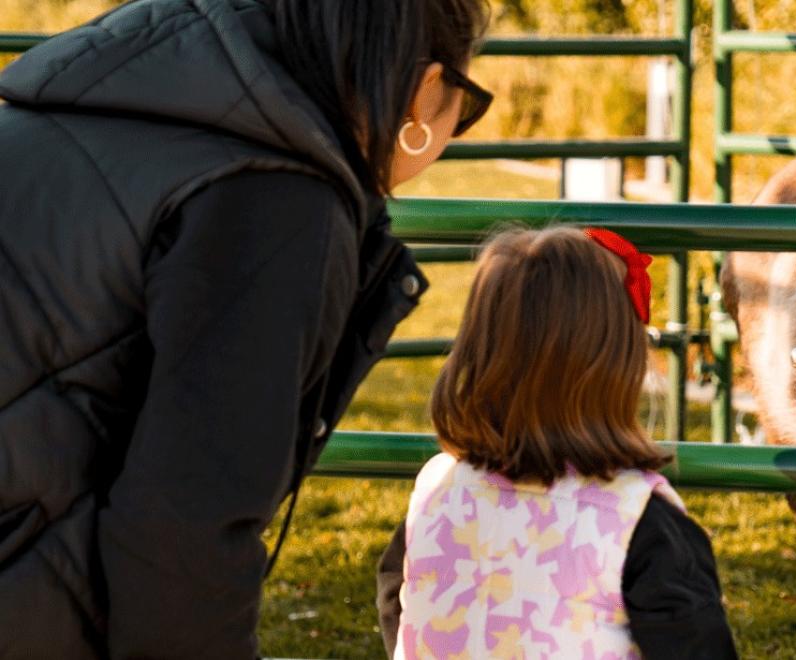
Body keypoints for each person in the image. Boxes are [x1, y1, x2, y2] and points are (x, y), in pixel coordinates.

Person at [0, 0, 491, 657]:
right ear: (427, 85)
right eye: (470, 101)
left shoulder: (91, 102)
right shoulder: (279, 200)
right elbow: (183, 541)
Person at [375, 227, 739, 659]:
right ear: (616, 363)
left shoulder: (437, 489)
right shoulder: (640, 519)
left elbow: (396, 604)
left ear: (477, 348)